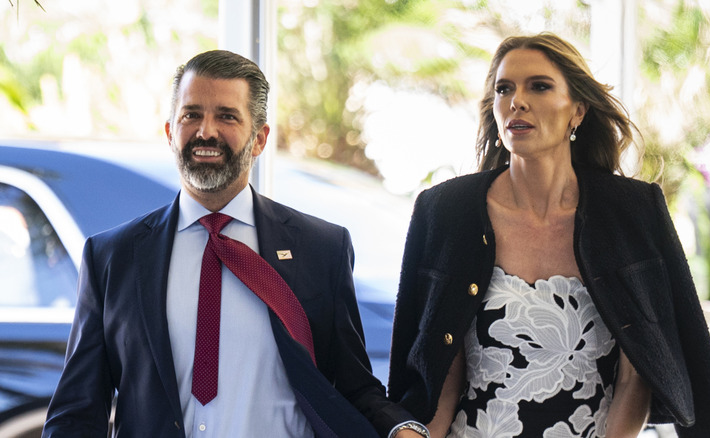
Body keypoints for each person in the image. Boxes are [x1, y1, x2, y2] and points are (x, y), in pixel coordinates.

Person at [43, 50, 428, 438]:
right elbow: (78, 408)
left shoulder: (321, 248)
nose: (205, 131)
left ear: (259, 139)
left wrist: (402, 429)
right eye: (191, 114)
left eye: (226, 116)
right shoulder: (112, 256)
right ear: (169, 132)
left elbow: (353, 386)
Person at [387, 33, 710, 438]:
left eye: (539, 86)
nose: (517, 101)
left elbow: (636, 376)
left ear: (577, 111)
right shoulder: (445, 211)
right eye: (504, 89)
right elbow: (439, 375)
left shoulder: (631, 212)